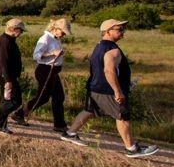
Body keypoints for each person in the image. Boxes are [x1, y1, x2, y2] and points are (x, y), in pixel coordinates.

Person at [60, 20, 159, 158]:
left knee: (90, 111)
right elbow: (108, 70)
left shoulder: (99, 46)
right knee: (122, 116)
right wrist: (118, 91)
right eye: (119, 29)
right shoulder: (113, 50)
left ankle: (70, 133)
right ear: (107, 31)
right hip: (108, 90)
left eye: (123, 29)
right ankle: (131, 149)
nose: (122, 32)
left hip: (94, 87)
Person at [10, 19, 73, 133]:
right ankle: (19, 114)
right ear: (55, 29)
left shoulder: (56, 39)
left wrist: (58, 54)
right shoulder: (45, 38)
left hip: (53, 71)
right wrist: (52, 54)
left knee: (59, 97)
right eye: (62, 32)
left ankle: (59, 124)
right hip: (45, 70)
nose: (64, 35)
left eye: (65, 33)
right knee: (43, 98)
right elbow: (36, 56)